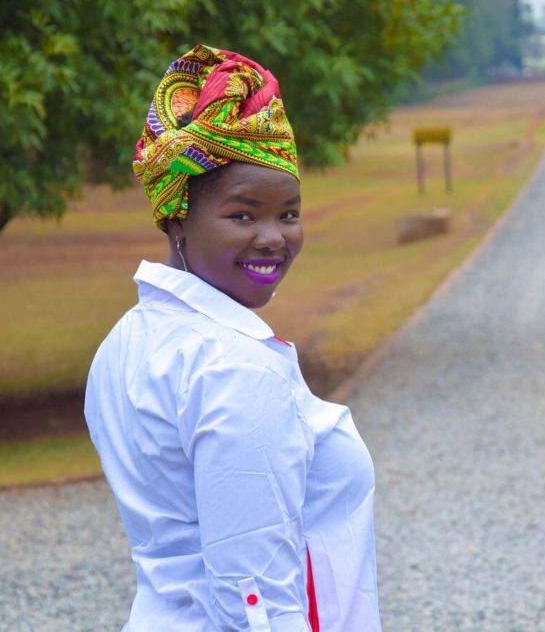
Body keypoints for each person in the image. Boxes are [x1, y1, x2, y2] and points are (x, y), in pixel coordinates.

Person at [85, 45, 380, 632]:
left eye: (288, 214)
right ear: (177, 216)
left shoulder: (127, 341)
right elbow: (257, 602)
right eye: (243, 215)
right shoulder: (237, 368)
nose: (273, 237)